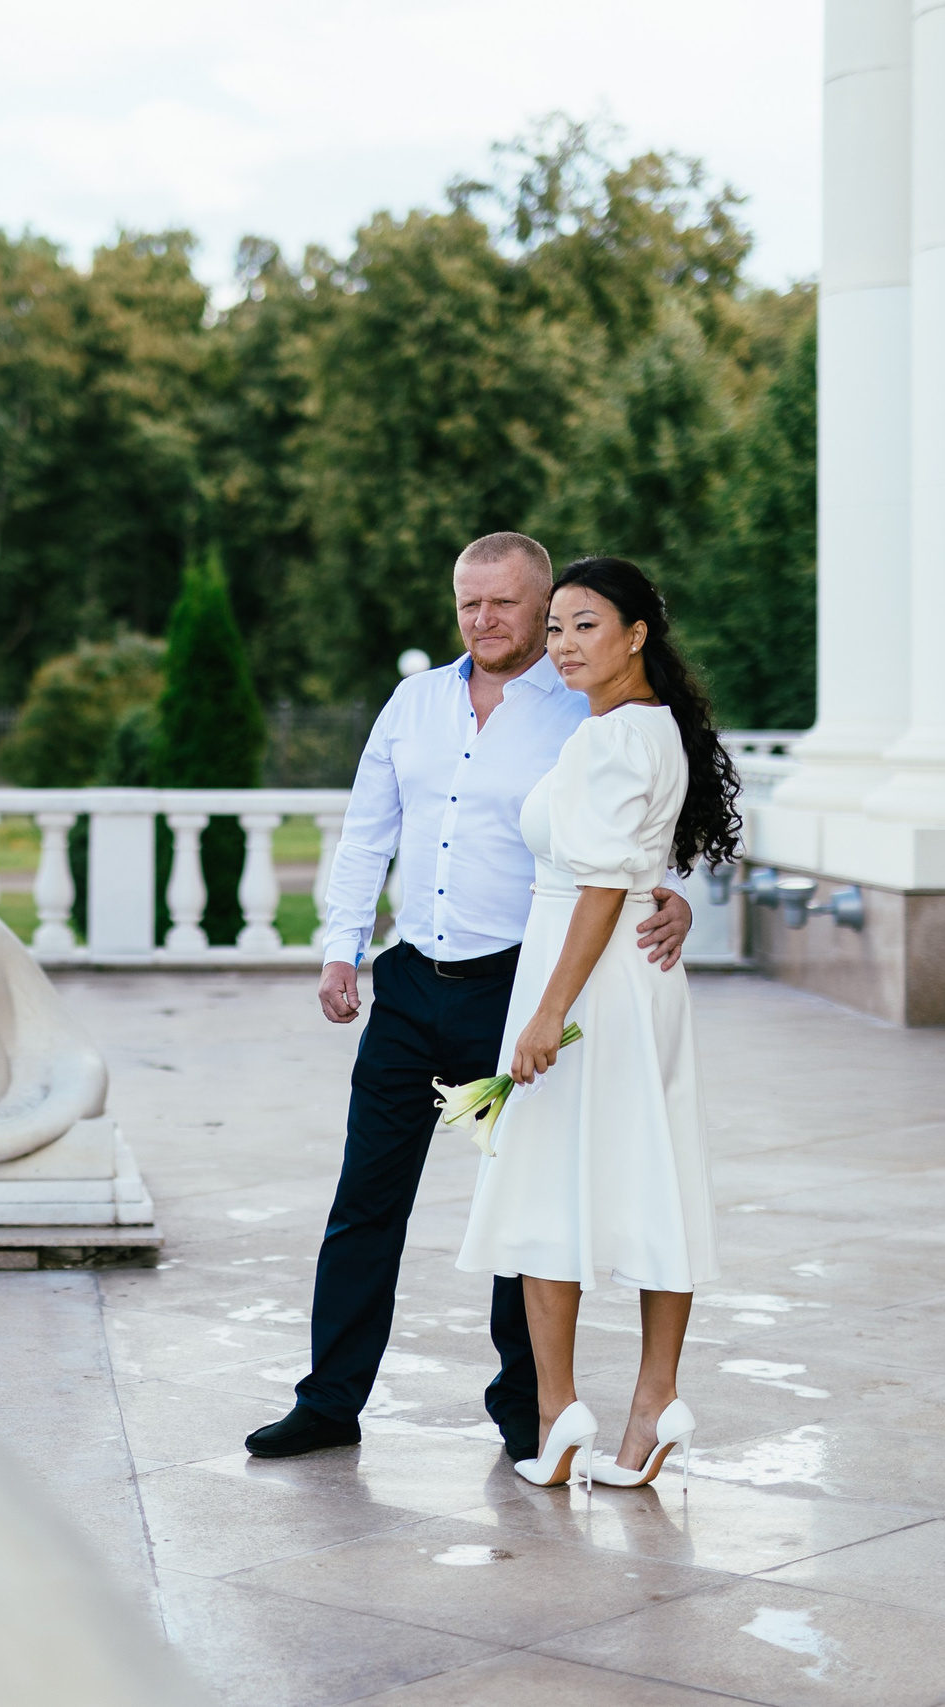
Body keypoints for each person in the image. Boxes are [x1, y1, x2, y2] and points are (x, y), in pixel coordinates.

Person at [245, 534, 692, 1463]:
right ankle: (329, 1400)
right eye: (468, 604)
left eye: (505, 605)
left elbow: (647, 818)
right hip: (411, 982)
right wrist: (342, 952)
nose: (484, 621)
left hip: (519, 984)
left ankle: (526, 1407)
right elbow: (368, 833)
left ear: (544, 607)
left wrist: (674, 890)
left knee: (520, 1202)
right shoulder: (414, 703)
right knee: (365, 1201)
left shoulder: (583, 706)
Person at [456, 556, 741, 1490]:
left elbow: (603, 882)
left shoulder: (619, 737)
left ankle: (570, 1406)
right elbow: (636, 865)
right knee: (632, 1177)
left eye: (585, 624)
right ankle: (627, 1403)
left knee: (551, 1186)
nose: (564, 644)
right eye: (557, 629)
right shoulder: (633, 730)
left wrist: (547, 1012)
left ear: (636, 635)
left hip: (589, 984)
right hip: (610, 973)